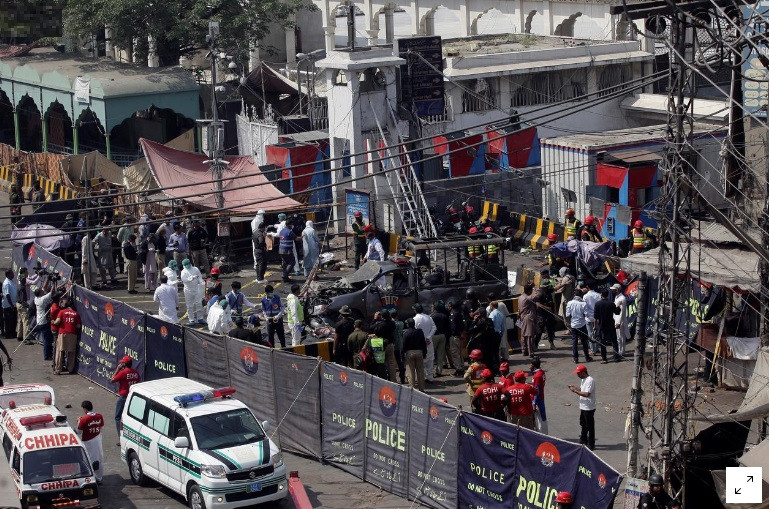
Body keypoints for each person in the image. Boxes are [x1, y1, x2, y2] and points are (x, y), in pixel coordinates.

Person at [111, 355, 140, 435]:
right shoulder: (136, 372)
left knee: (118, 417)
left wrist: (118, 369)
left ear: (124, 364)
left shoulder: (123, 372)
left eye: (122, 363)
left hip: (124, 397)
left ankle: (120, 437)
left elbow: (112, 380)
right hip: (133, 397)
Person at [569, 364, 596, 450]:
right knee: (583, 424)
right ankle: (583, 440)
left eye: (578, 373)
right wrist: (575, 388)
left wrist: (575, 391)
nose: (577, 375)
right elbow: (582, 389)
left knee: (589, 426)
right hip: (583, 406)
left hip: (589, 407)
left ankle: (591, 444)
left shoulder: (590, 380)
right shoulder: (583, 380)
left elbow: (587, 394)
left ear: (583, 372)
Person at [77, 401, 104, 483]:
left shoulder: (84, 419)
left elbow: (79, 432)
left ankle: (90, 479)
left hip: (87, 442)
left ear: (85, 409)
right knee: (99, 458)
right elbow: (101, 427)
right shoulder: (99, 416)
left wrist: (78, 421)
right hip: (98, 439)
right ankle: (99, 478)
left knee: (88, 459)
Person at [52, 296, 80, 375]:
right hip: (72, 334)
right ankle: (70, 369)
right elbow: (78, 326)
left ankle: (58, 369)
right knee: (71, 352)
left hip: (63, 333)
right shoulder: (76, 314)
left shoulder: (62, 312)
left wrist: (53, 322)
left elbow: (57, 322)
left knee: (60, 351)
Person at [594, 289, 622, 363]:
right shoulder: (611, 303)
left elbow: (595, 317)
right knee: (614, 341)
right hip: (610, 324)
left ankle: (604, 358)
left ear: (601, 295)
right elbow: (617, 313)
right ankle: (616, 357)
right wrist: (618, 306)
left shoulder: (597, 304)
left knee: (602, 342)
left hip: (602, 325)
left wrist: (595, 326)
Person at [33, 282, 58, 361]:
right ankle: (47, 355)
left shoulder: (36, 298)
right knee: (47, 340)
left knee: (46, 339)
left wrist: (48, 280)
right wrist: (54, 283)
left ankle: (49, 354)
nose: (43, 291)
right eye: (41, 291)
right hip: (44, 322)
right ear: (40, 294)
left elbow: (44, 288)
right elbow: (51, 292)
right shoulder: (42, 299)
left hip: (39, 321)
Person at [566, 290, 592, 364]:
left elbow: (568, 315)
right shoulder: (583, 304)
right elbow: (586, 314)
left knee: (574, 342)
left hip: (574, 325)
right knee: (584, 342)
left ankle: (575, 359)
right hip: (582, 325)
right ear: (580, 295)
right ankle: (587, 357)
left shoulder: (569, 303)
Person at [413, 303, 436, 384]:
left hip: (419, 343)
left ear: (415, 310)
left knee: (419, 361)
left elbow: (414, 331)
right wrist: (429, 337)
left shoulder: (415, 319)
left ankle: (417, 378)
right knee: (429, 360)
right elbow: (434, 328)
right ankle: (430, 378)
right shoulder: (428, 317)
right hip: (429, 342)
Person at [402, 318, 427, 391]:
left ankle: (412, 389)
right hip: (419, 352)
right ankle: (422, 389)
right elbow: (423, 343)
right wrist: (424, 353)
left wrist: (403, 354)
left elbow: (404, 345)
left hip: (409, 353)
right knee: (420, 371)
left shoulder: (406, 333)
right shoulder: (420, 332)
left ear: (407, 324)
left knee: (410, 372)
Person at [180, 259, 205, 325]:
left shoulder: (195, 269)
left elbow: (199, 277)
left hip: (196, 288)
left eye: (187, 264)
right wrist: (191, 278)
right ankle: (191, 320)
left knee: (199, 303)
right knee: (189, 305)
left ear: (190, 263)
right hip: (188, 290)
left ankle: (200, 318)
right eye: (185, 265)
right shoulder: (183, 271)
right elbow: (184, 279)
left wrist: (201, 282)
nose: (187, 266)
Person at [534, 280, 557, 350]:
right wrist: (547, 308)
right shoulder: (540, 294)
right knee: (539, 331)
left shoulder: (548, 292)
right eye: (548, 286)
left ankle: (551, 343)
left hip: (549, 315)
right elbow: (537, 304)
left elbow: (555, 289)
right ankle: (535, 344)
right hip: (541, 315)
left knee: (550, 330)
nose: (549, 287)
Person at [430, 301, 450, 378]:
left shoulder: (431, 316)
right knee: (440, 355)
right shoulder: (444, 316)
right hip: (443, 336)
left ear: (434, 308)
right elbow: (448, 328)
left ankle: (430, 372)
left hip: (434, 336)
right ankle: (439, 371)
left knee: (431, 355)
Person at [517, 283, 538, 357]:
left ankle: (524, 350)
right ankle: (530, 352)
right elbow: (537, 295)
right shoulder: (528, 298)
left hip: (523, 318)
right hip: (528, 318)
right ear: (529, 291)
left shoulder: (520, 297)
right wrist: (534, 287)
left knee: (524, 335)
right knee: (529, 336)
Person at [582, 282, 601, 357]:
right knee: (597, 333)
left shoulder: (585, 296)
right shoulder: (598, 295)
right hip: (597, 317)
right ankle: (597, 348)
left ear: (587, 287)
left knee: (590, 334)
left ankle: (593, 350)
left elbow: (584, 307)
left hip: (589, 318)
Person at [447, 300, 465, 376]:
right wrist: (461, 334)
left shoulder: (452, 314)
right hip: (460, 336)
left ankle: (459, 369)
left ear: (451, 307)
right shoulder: (459, 313)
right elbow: (462, 325)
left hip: (455, 336)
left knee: (455, 353)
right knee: (460, 353)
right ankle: (461, 366)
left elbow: (453, 326)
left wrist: (455, 333)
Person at [530, 357, 548, 433]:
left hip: (538, 400)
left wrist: (534, 403)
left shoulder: (537, 376)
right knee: (541, 417)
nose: (529, 366)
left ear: (533, 365)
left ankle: (543, 435)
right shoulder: (541, 372)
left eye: (530, 365)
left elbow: (537, 391)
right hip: (540, 397)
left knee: (540, 419)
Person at [612, 283, 630, 357]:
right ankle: (620, 350)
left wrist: (618, 322)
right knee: (618, 337)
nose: (612, 290)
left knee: (621, 337)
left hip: (620, 320)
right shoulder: (617, 297)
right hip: (616, 319)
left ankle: (621, 352)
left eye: (613, 289)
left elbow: (621, 312)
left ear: (617, 290)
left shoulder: (622, 298)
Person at [15, 268, 30, 344]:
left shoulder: (19, 282)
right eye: (26, 272)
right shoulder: (23, 287)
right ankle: (26, 338)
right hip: (21, 305)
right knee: (26, 321)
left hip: (18, 304)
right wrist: (27, 306)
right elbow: (22, 299)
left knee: (20, 320)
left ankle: (19, 335)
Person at [2, 269, 18, 339]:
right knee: (8, 320)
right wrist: (11, 305)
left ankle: (13, 332)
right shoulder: (6, 283)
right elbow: (7, 295)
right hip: (8, 306)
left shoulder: (11, 281)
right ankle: (8, 334)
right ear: (8, 275)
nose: (13, 275)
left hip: (13, 304)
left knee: (13, 320)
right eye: (12, 274)